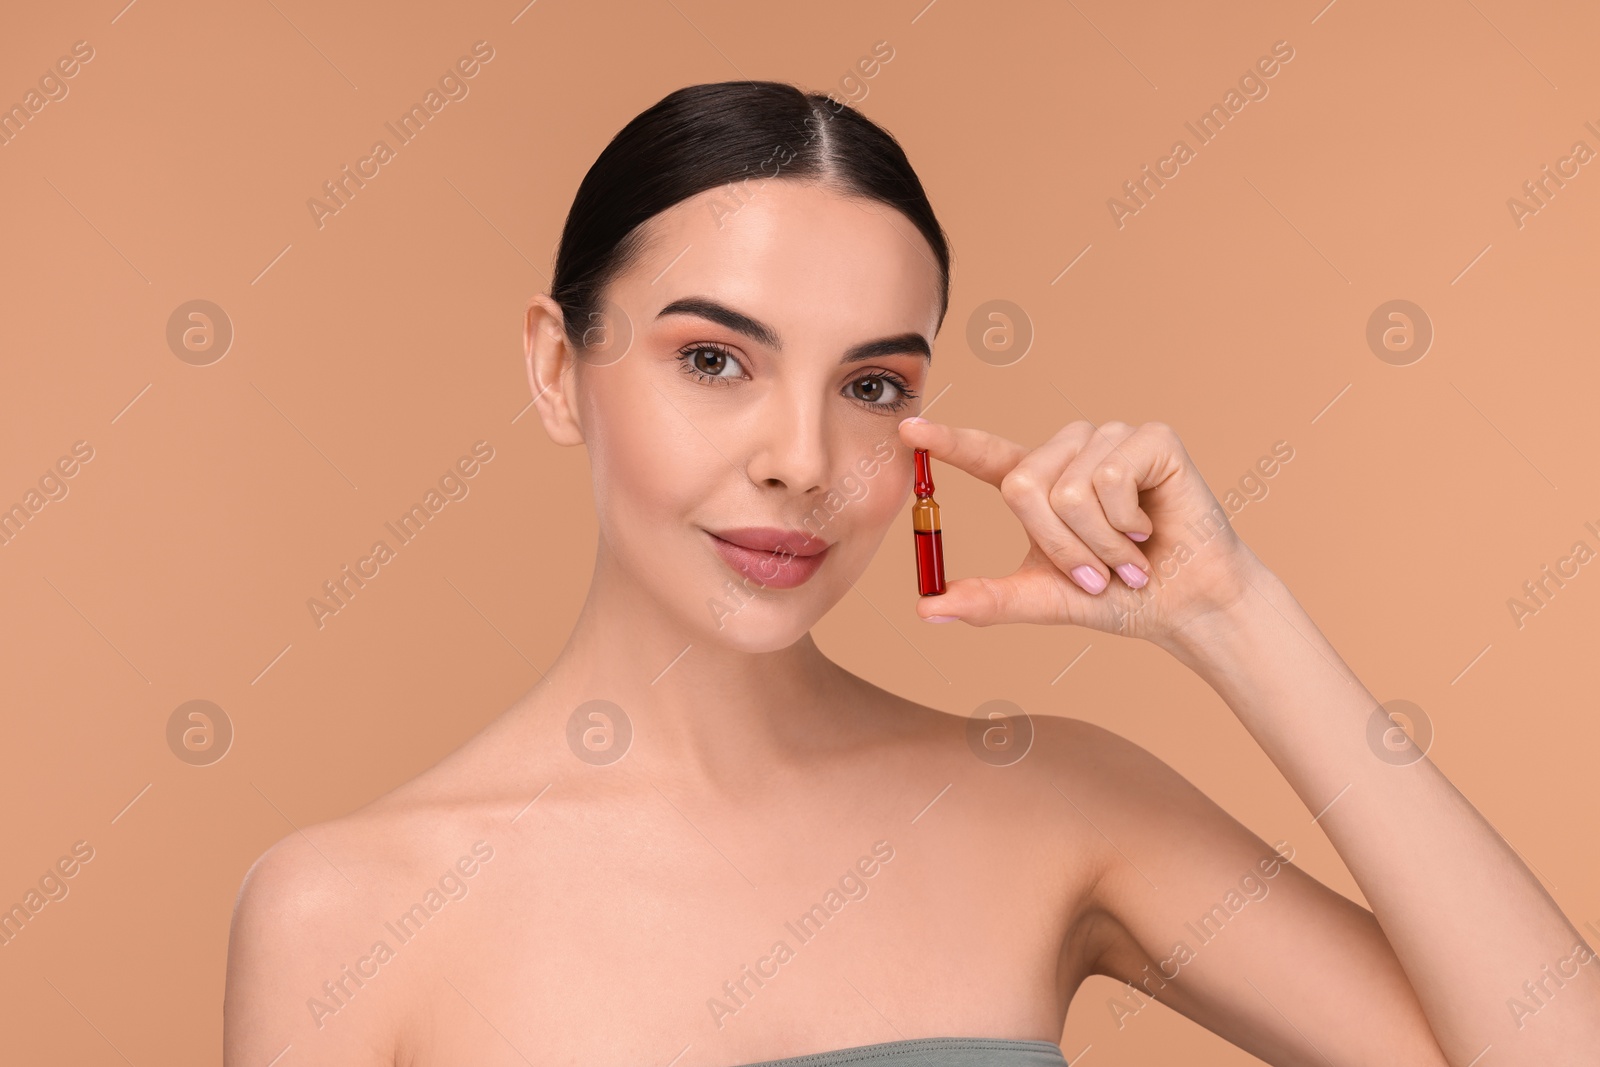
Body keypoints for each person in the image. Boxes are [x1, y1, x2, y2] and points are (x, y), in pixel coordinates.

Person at [223, 80, 1600, 1066]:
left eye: (874, 385)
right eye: (715, 360)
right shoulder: (346, 913)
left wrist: (1238, 617)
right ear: (553, 365)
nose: (804, 459)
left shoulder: (1050, 800)